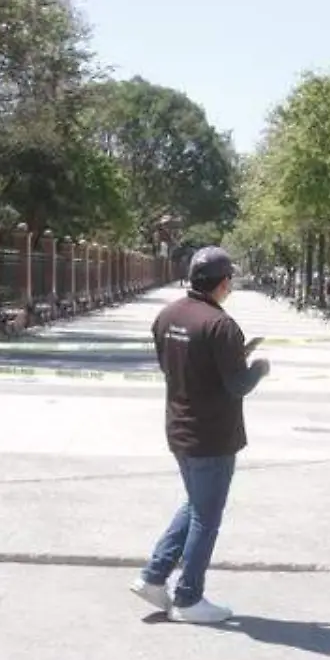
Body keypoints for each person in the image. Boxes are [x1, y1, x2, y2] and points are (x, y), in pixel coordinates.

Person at [130, 246, 271, 623]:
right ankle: (188, 598)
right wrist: (259, 367)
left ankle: (153, 577)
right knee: (206, 518)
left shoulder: (168, 316)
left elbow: (177, 365)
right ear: (223, 283)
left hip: (179, 427)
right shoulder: (221, 325)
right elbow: (238, 385)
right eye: (230, 280)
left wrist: (234, 356)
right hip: (212, 435)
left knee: (196, 505)